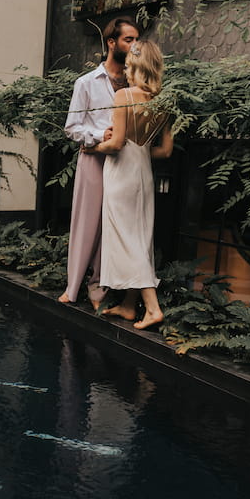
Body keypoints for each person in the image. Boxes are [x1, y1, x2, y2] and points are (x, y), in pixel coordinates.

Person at [91, 39, 173, 330]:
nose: (125, 72)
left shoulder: (124, 95)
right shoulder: (164, 100)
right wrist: (139, 150)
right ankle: (128, 305)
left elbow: (114, 144)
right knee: (139, 237)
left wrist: (94, 147)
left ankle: (152, 308)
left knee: (127, 239)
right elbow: (164, 151)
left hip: (122, 174)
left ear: (138, 65)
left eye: (127, 66)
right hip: (144, 173)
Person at [58, 17, 140, 309]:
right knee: (86, 224)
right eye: (128, 39)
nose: (134, 45)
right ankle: (73, 286)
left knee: (112, 227)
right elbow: (72, 127)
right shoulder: (86, 83)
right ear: (111, 42)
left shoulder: (136, 82)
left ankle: (99, 291)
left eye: (135, 39)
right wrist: (96, 135)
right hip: (93, 161)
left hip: (125, 162)